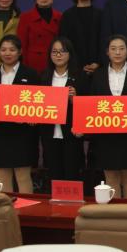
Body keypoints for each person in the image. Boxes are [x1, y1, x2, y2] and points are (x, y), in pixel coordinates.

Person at [87, 34, 127, 200]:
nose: (117, 52)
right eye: (113, 49)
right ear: (107, 52)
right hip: (106, 134)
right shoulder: (98, 75)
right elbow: (91, 104)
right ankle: (114, 212)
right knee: (111, 177)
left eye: (122, 48)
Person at [0, 34, 39, 194]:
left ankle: (26, 207)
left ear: (20, 52)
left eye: (12, 50)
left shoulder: (31, 74)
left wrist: (32, 116)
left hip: (23, 132)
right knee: (2, 175)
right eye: (3, 49)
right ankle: (5, 207)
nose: (7, 53)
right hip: (0, 131)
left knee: (23, 175)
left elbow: (39, 100)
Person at [39, 37, 86, 184]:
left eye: (62, 51)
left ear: (70, 54)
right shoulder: (43, 76)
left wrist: (75, 99)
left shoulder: (80, 76)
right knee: (54, 174)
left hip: (71, 132)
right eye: (54, 52)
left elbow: (89, 105)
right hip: (49, 132)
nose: (58, 55)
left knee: (72, 174)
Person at [58, 0, 103, 75]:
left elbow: (104, 40)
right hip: (73, 68)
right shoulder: (67, 15)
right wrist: (74, 64)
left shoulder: (101, 14)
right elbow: (63, 43)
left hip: (98, 68)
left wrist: (98, 63)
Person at [17, 0, 62, 74]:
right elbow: (22, 45)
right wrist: (24, 67)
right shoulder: (25, 17)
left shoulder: (60, 17)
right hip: (33, 64)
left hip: (56, 62)